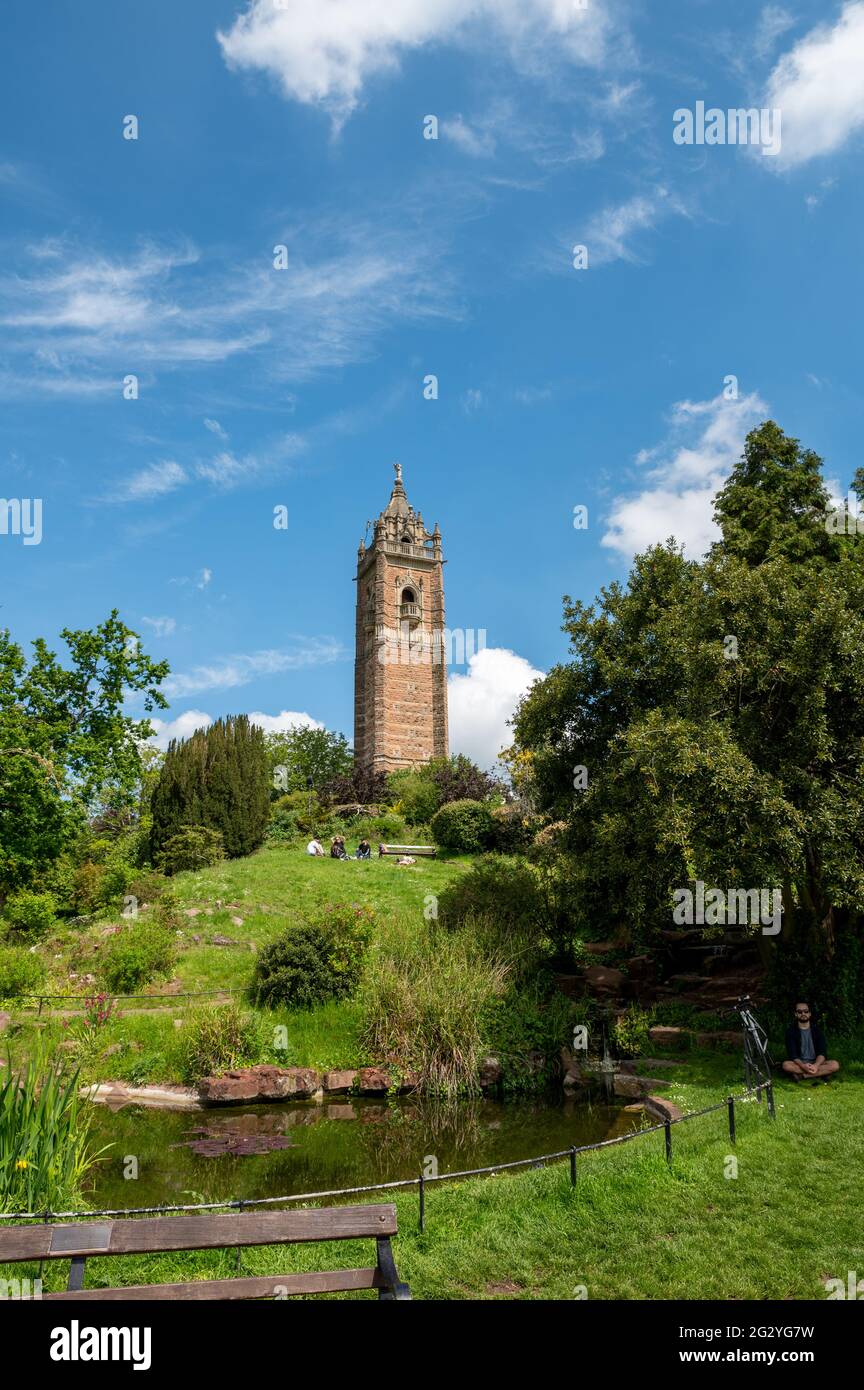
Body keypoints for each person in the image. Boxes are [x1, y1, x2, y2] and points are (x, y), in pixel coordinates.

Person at [782, 1001, 840, 1082]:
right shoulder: (791, 1032)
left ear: (809, 1013)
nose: (803, 1013)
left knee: (835, 1064)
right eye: (800, 1012)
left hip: (816, 1062)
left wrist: (816, 1065)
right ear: (796, 1014)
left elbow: (822, 1052)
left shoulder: (817, 1031)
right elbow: (793, 1055)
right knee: (786, 1065)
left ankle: (803, 1076)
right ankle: (822, 1073)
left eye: (806, 1011)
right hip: (800, 1063)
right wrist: (803, 1066)